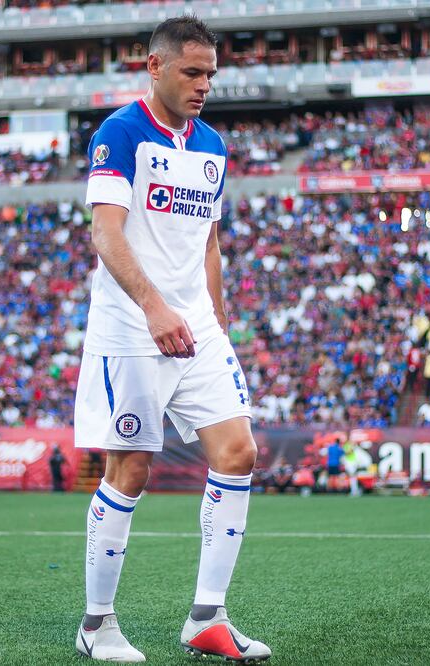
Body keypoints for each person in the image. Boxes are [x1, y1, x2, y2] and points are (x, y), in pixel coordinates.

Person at [72, 15, 270, 663]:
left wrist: (213, 322)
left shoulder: (211, 144)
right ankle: (96, 624)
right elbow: (106, 233)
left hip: (195, 329)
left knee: (237, 451)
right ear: (153, 67)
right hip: (131, 329)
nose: (203, 84)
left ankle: (206, 618)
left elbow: (209, 243)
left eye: (210, 73)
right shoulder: (120, 133)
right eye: (191, 71)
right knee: (131, 469)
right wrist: (155, 307)